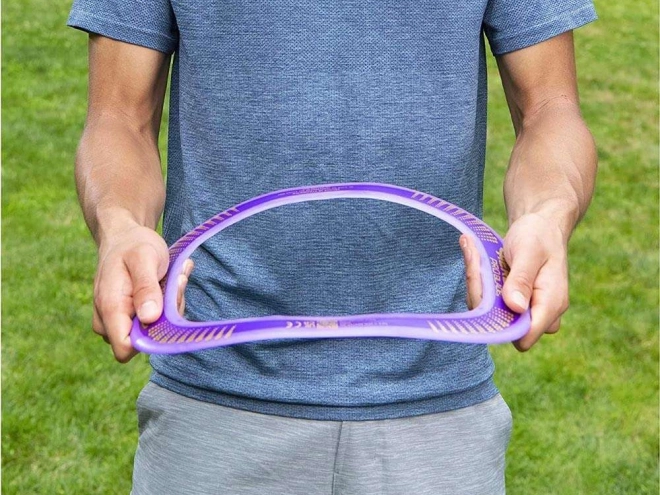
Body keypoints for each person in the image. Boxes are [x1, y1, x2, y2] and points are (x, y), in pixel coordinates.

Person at [68, 1, 598, 493]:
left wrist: (547, 214)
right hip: (210, 399)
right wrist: (121, 226)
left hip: (438, 404)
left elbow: (549, 109)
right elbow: (119, 118)